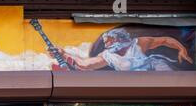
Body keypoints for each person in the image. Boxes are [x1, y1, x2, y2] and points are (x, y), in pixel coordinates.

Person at [50, 28, 193, 71]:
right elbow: (85, 64)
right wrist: (63, 54)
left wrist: (181, 49)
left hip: (155, 69)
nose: (107, 45)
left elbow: (166, 40)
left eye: (110, 41)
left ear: (120, 38)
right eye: (106, 42)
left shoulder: (139, 44)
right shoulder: (108, 56)